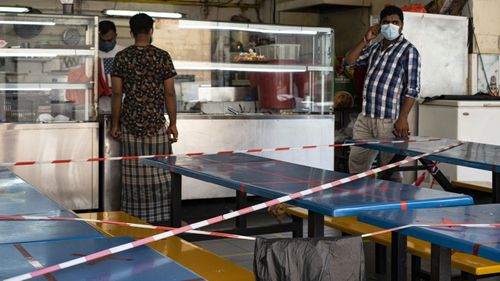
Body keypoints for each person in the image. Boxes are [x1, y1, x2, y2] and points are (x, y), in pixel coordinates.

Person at [111, 13, 178, 225]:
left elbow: (116, 94)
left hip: (130, 126)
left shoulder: (122, 57)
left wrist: (115, 124)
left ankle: (135, 217)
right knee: (161, 174)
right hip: (156, 125)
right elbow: (169, 93)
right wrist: (173, 123)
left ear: (131, 32)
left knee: (133, 175)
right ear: (151, 31)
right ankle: (164, 217)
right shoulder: (162, 56)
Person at [346, 5, 421, 181]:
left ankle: (392, 207)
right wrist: (366, 39)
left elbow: (413, 88)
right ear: (379, 25)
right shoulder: (374, 48)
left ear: (402, 25)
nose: (390, 26)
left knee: (390, 171)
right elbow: (349, 62)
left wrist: (403, 118)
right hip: (366, 118)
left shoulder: (409, 51)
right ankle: (361, 204)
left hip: (389, 121)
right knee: (356, 167)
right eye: (386, 22)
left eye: (395, 22)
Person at [98, 20, 124, 112]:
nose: (106, 43)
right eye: (102, 40)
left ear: (115, 36)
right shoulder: (93, 54)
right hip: (98, 105)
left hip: (121, 104)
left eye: (109, 40)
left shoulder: (123, 53)